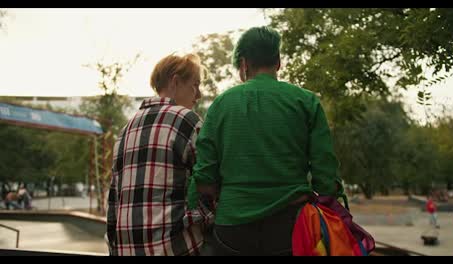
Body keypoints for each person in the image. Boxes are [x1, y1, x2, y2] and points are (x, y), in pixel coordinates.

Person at [187, 26, 344, 256]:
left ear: (243, 64)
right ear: (278, 62)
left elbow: (204, 179)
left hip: (232, 230)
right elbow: (326, 178)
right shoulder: (306, 102)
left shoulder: (221, 105)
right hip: (292, 229)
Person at [106, 53, 213, 256]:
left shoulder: (125, 130)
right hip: (176, 248)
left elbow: (114, 201)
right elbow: (210, 183)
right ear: (175, 81)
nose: (198, 95)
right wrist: (202, 218)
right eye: (195, 85)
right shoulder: (187, 121)